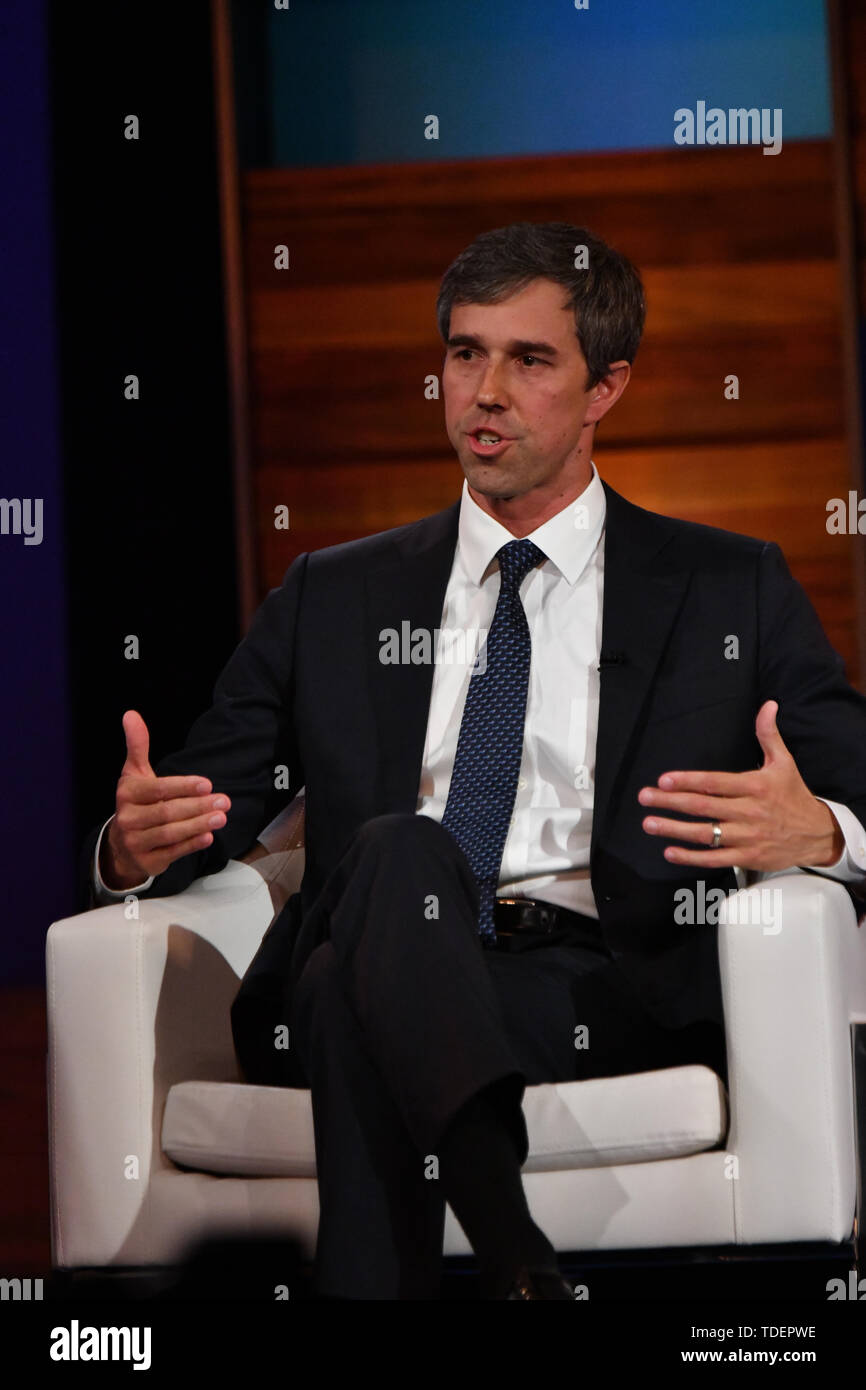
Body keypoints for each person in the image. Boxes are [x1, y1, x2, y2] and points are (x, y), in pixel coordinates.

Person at [85, 222, 866, 1300]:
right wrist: (130, 846)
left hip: (595, 986)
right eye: (463, 353)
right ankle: (513, 1255)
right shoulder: (332, 593)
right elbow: (197, 807)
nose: (483, 391)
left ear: (605, 387)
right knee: (400, 858)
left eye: (527, 359)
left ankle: (502, 1265)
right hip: (381, 939)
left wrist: (823, 830)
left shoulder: (724, 584)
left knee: (344, 1000)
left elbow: (854, 781)